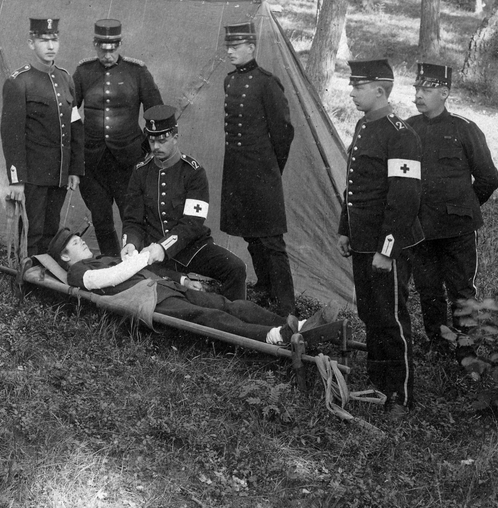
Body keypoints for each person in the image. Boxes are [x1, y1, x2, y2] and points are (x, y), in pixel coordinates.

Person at [50, 228, 337, 346]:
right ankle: (273, 336)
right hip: (148, 299)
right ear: (64, 256)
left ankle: (299, 325)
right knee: (209, 316)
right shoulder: (78, 272)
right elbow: (113, 278)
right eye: (75, 242)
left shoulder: (101, 258)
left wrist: (180, 280)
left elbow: (142, 269)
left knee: (229, 304)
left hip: (162, 287)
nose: (82, 241)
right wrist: (144, 256)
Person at [336, 59, 423, 414]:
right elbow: (355, 186)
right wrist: (345, 229)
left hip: (388, 244)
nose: (352, 92)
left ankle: (400, 394)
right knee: (370, 314)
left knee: (391, 317)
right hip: (362, 240)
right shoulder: (363, 125)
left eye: (358, 87)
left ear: (379, 90)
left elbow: (404, 197)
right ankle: (378, 383)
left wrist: (387, 250)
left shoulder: (400, 134)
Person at [407, 62, 498, 351]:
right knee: (428, 289)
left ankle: (466, 349)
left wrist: (464, 206)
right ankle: (438, 343)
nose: (418, 95)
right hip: (421, 228)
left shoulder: (464, 129)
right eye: (416, 88)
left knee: (462, 290)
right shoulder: (408, 128)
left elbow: (488, 178)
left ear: (444, 93)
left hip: (457, 229)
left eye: (426, 90)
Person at [121, 105, 247, 300]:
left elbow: (192, 224)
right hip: (153, 253)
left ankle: (235, 313)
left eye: (162, 140)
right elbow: (132, 220)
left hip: (191, 248)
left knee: (236, 268)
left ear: (175, 137)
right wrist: (130, 243)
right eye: (152, 140)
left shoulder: (194, 173)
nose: (155, 147)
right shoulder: (140, 172)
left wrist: (163, 247)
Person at [219, 21, 296, 315]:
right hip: (237, 171)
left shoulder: (267, 83)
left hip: (262, 171)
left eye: (236, 46)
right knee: (250, 234)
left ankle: (287, 305)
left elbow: (283, 132)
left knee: (271, 239)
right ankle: (265, 287)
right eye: (228, 46)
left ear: (251, 47)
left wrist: (271, 169)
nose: (230, 51)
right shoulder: (229, 81)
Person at [73, 19, 163, 255]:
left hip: (128, 163)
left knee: (132, 219)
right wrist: (79, 140)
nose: (107, 55)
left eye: (112, 49)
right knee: (101, 219)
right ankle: (110, 263)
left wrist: (145, 149)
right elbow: (69, 110)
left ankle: (135, 267)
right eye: (102, 49)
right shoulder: (83, 72)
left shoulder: (137, 72)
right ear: (95, 45)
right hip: (92, 164)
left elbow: (156, 112)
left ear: (120, 44)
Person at [0, 17, 85, 257]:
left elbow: (75, 125)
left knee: (51, 229)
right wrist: (16, 179)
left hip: (59, 173)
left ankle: (45, 274)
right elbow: (11, 134)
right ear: (31, 43)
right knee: (32, 231)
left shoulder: (66, 79)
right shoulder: (19, 82)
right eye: (43, 40)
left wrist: (74, 168)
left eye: (54, 40)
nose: (50, 46)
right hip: (33, 174)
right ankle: (26, 273)